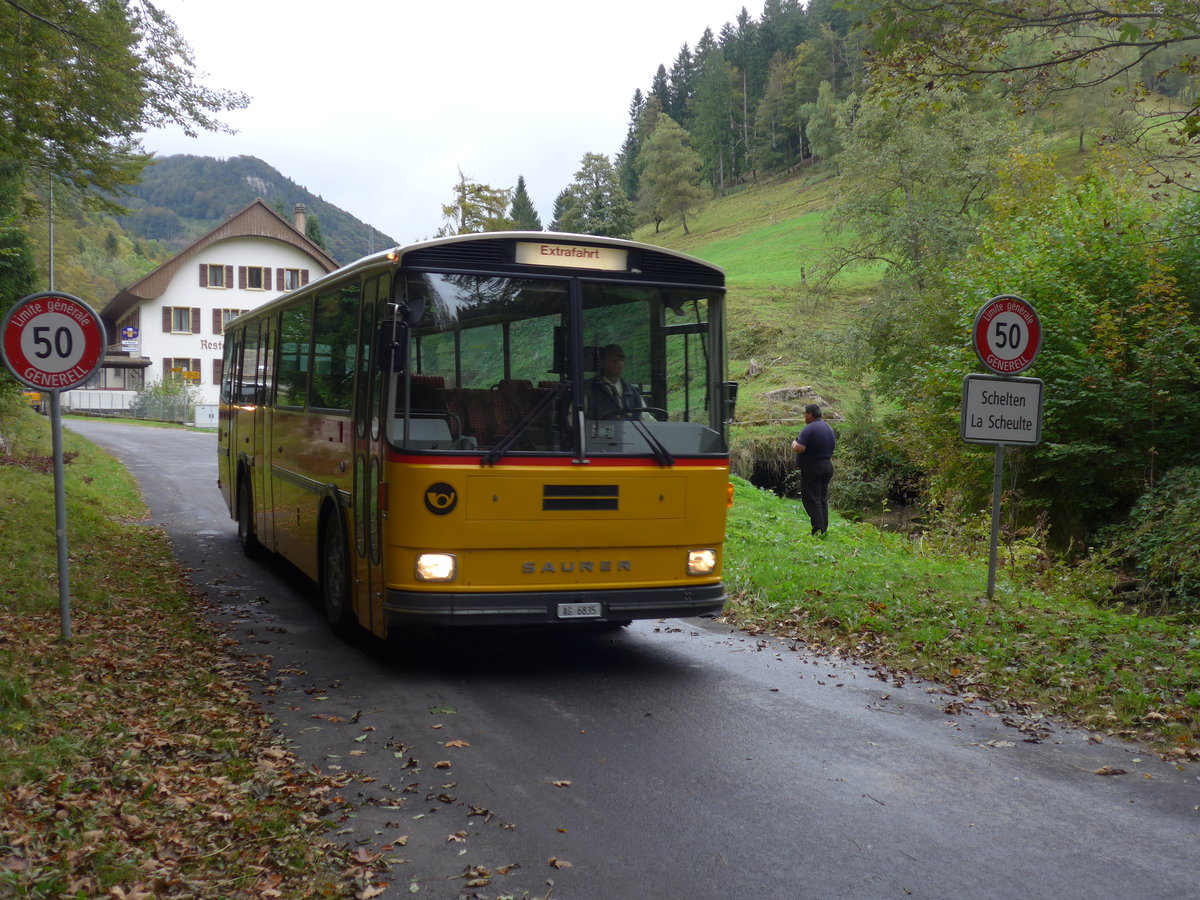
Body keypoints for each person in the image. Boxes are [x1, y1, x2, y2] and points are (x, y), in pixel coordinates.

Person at [792, 403, 836, 536]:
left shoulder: (810, 428)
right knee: (822, 498)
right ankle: (823, 529)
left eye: (805, 413)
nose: (804, 416)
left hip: (813, 467)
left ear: (810, 414)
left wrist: (794, 444)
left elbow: (800, 448)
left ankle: (817, 529)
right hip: (827, 465)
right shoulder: (828, 428)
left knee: (812, 499)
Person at [586, 344, 645, 419]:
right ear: (602, 362)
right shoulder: (587, 389)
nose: (616, 363)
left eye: (620, 360)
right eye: (611, 359)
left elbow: (646, 420)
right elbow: (572, 422)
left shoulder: (633, 392)